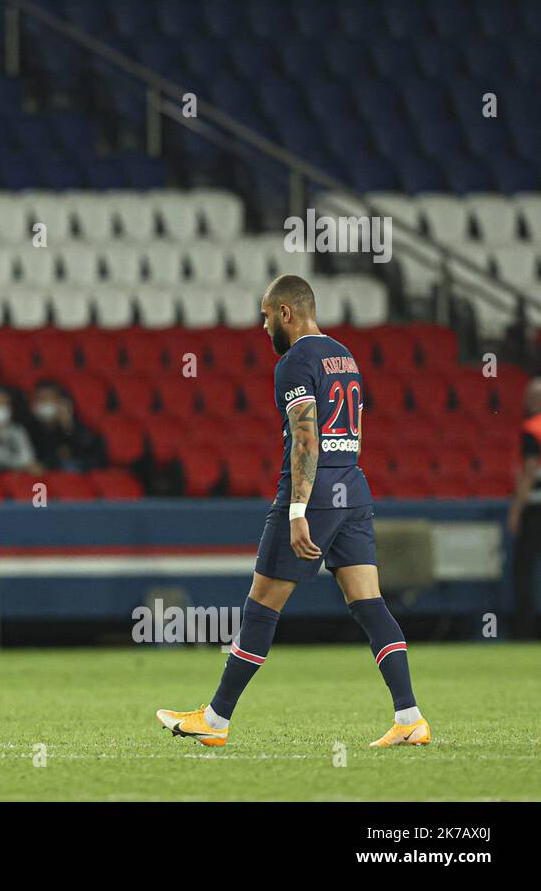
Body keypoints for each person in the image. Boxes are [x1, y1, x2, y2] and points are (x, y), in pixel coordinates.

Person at [157, 275, 428, 749]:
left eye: (266, 316)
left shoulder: (294, 362)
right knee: (369, 604)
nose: (263, 327)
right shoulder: (345, 355)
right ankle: (410, 717)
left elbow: (306, 437)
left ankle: (216, 720)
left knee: (261, 606)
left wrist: (299, 508)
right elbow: (355, 429)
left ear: (286, 312)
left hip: (315, 492)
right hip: (353, 487)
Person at [507, 377, 541, 640]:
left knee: (523, 569)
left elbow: (530, 472)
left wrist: (516, 510)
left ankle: (526, 631)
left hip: (535, 511)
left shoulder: (532, 428)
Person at [25, 381, 107, 472]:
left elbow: (92, 454)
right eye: (40, 399)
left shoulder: (74, 427)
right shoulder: (28, 428)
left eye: (48, 399)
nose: (44, 403)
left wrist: (68, 425)